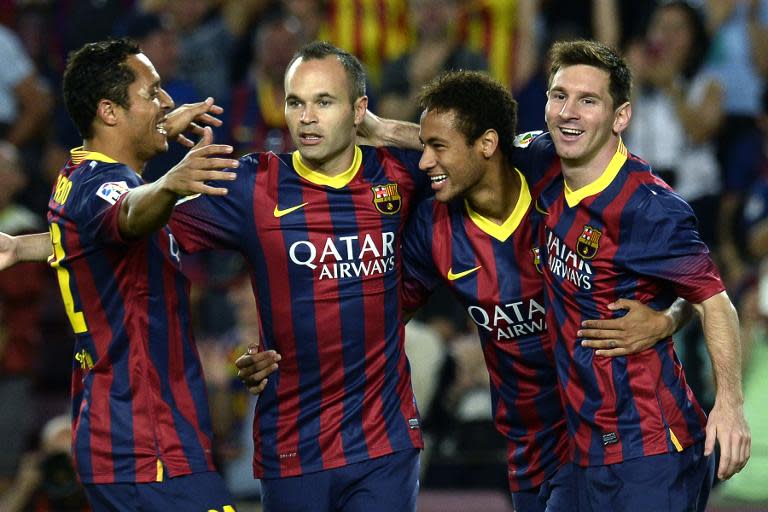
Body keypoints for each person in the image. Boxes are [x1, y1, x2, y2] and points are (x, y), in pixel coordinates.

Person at [397, 70, 689, 511]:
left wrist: (668, 319)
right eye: (425, 147)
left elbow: (696, 284)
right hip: (526, 449)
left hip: (598, 436)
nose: (425, 163)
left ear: (489, 145)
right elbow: (378, 319)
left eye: (435, 148)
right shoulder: (433, 230)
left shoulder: (557, 173)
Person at [165, 41, 429, 512]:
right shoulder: (252, 185)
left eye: (324, 102)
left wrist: (387, 129)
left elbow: (485, 152)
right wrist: (156, 143)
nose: (306, 117)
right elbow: (128, 226)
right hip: (294, 442)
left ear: (358, 109)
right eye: (295, 102)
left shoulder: (397, 175)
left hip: (383, 440)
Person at [0, 38, 241, 511]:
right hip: (145, 439)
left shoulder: (75, 174)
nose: (168, 102)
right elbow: (129, 212)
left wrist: (21, 246)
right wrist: (171, 182)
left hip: (124, 431)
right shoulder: (110, 187)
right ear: (109, 112)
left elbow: (85, 236)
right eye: (153, 93)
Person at [512, 39, 750, 510]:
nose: (568, 112)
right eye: (559, 96)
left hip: (649, 452)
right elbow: (458, 139)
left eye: (588, 100)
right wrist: (374, 130)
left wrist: (729, 405)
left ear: (620, 117)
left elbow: (714, 300)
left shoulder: (650, 210)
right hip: (578, 448)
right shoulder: (542, 159)